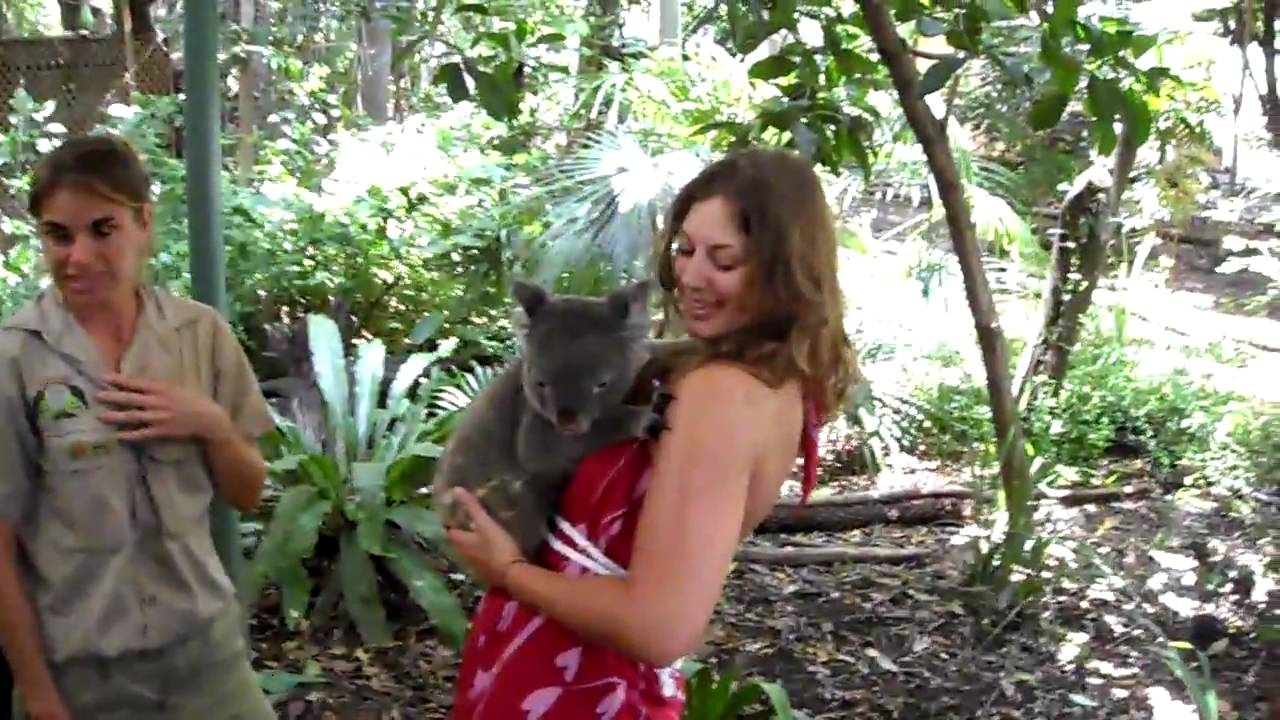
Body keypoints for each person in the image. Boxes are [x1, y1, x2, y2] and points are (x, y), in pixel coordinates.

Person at [444, 145, 861, 718]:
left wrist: (510, 572)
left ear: (784, 268)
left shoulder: (723, 394)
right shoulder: (760, 376)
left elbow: (660, 626)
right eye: (686, 250)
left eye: (724, 260)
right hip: (559, 660)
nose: (690, 275)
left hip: (581, 684)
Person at [0, 133, 277, 719]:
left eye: (103, 229)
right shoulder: (16, 362)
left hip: (207, 659)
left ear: (143, 223)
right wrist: (43, 699)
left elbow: (249, 492)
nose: (77, 256)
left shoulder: (199, 336)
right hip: (84, 676)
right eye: (58, 235)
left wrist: (212, 426)